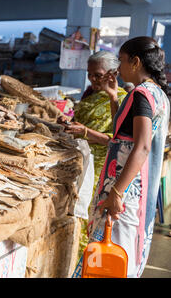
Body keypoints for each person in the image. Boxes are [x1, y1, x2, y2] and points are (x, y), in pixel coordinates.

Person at [73, 36, 170, 278]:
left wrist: (117, 193)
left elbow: (143, 146)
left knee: (112, 253)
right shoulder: (156, 94)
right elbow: (121, 134)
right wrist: (113, 96)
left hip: (125, 190)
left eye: (122, 60)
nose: (119, 67)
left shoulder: (141, 94)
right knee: (118, 253)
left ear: (136, 62)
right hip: (132, 187)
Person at [60, 51, 128, 255]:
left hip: (100, 168)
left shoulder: (122, 100)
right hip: (78, 161)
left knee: (88, 216)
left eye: (97, 75)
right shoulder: (90, 94)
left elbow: (116, 140)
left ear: (112, 73)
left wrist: (86, 132)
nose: (92, 79)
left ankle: (84, 261)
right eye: (90, 74)